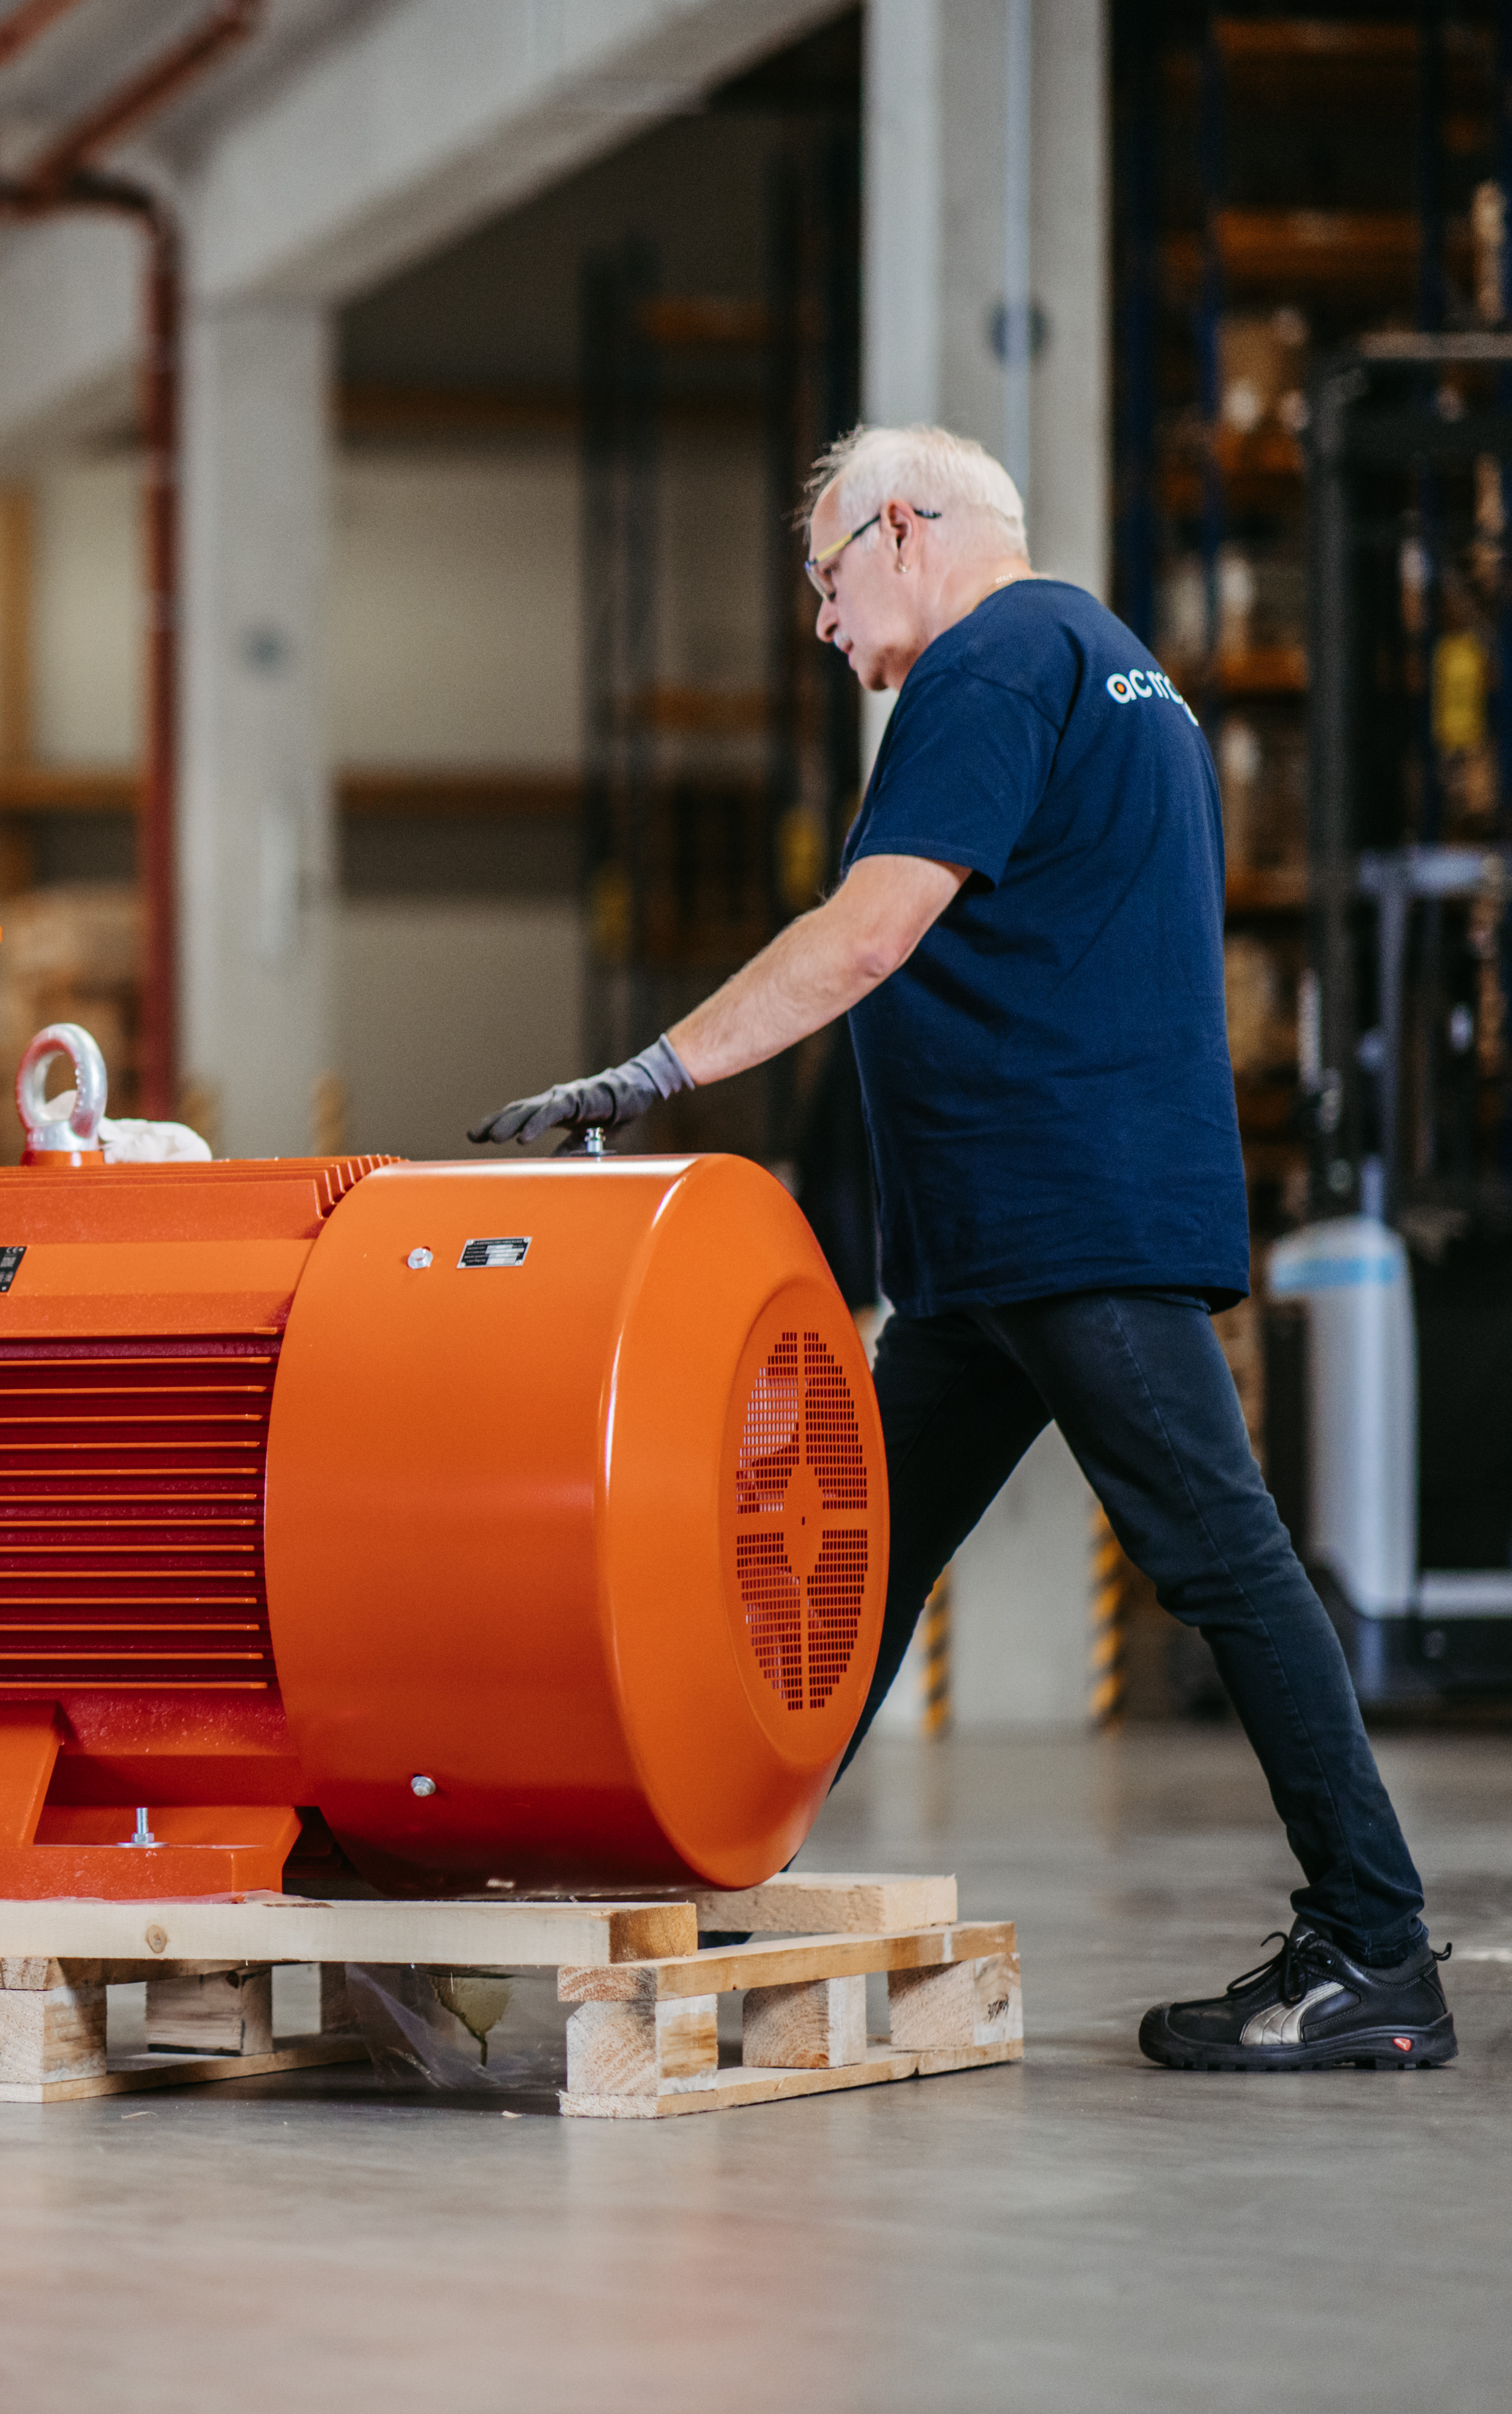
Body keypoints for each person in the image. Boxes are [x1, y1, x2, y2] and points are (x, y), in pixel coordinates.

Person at [470, 422, 1452, 2073]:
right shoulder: (1116, 665)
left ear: (903, 533)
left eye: (825, 580)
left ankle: (1375, 1949)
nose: (825, 626)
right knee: (846, 1561)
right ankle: (717, 1880)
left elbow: (871, 930)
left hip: (1065, 1222)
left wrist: (653, 1074)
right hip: (1003, 1249)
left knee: (1222, 1557)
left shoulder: (992, 665)